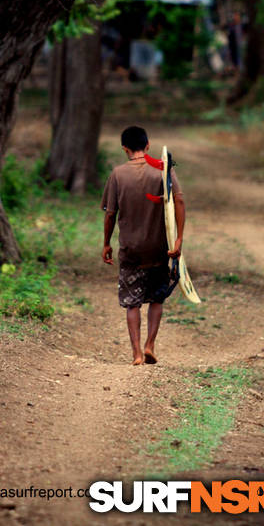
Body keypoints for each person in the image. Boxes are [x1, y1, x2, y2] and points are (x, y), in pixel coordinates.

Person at [101, 126, 185, 365]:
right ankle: (150, 344)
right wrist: (178, 239)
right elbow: (179, 200)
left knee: (132, 303)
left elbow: (110, 214)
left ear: (125, 149)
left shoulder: (117, 174)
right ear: (148, 145)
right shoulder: (162, 171)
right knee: (157, 298)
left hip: (130, 249)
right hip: (160, 247)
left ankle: (137, 352)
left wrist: (106, 243)